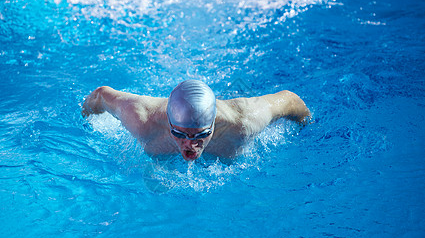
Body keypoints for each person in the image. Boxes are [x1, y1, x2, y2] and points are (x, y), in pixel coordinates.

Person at [82, 80, 311, 161]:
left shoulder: (243, 122)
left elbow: (290, 100)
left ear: (215, 124)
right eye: (180, 134)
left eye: (201, 135)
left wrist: (307, 128)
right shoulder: (143, 120)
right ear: (168, 123)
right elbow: (101, 95)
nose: (190, 144)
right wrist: (86, 124)